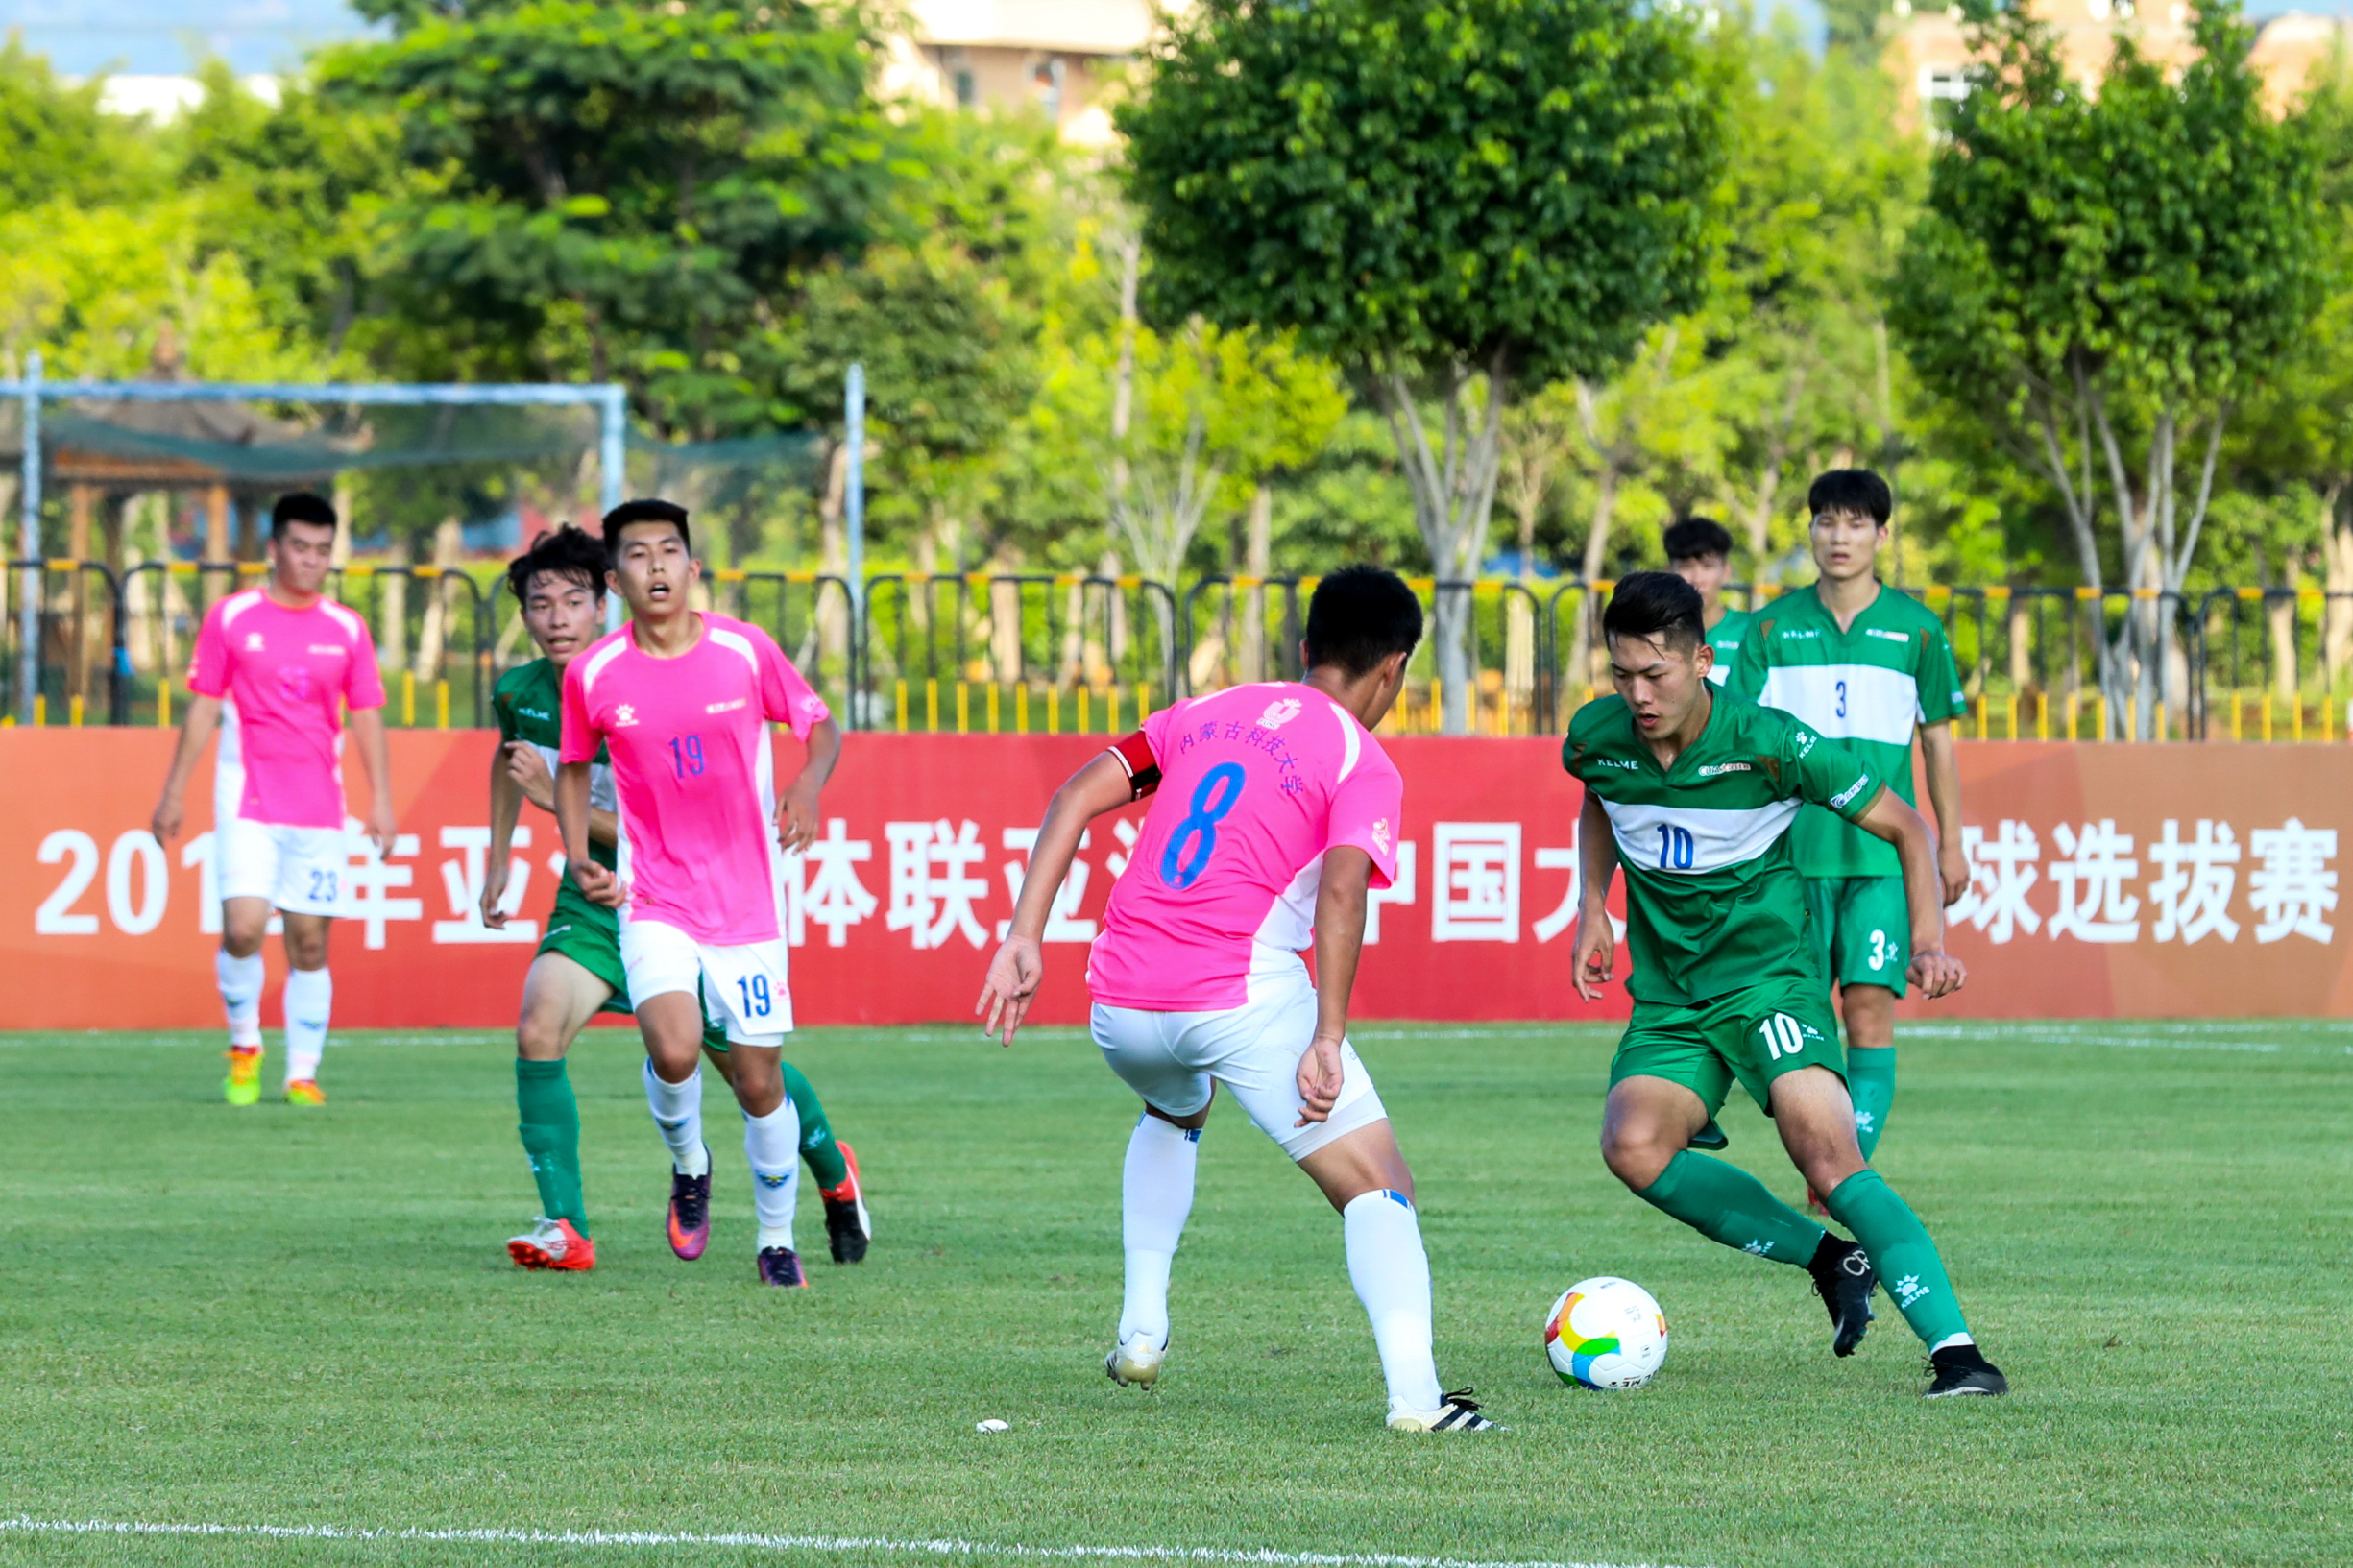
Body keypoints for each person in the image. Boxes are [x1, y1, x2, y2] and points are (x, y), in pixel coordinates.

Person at [976, 566, 1499, 1434]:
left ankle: (1141, 1332)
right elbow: (1343, 891)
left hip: (1119, 995)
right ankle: (1419, 1402)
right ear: (1394, 668)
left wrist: (1023, 935)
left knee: (1175, 1104)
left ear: (1306, 647)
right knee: (1379, 1186)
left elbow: (1073, 797)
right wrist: (1327, 1034)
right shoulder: (1360, 758)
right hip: (1236, 993)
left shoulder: (1203, 712)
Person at [1566, 571, 2005, 1398]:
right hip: (1672, 997)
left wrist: (1927, 942)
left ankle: (1959, 1354)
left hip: (1771, 983)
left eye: (1655, 674)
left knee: (1828, 1157)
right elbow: (1601, 796)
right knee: (1633, 1144)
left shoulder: (1771, 742)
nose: (1638, 695)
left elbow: (1907, 826)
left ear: (1703, 660)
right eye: (1621, 674)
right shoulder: (1597, 735)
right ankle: (1831, 1260)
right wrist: (1595, 904)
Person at [481, 525, 870, 1274]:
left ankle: (831, 1169)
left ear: (605, 602)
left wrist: (553, 801)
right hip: (595, 901)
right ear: (524, 615)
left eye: (573, 600)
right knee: (537, 1027)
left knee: (749, 1072)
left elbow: (653, 823)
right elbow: (511, 762)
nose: (557, 617)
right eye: (541, 603)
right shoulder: (522, 691)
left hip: (688, 896)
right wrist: (499, 856)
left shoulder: (640, 678)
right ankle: (567, 1226)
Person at [1727, 470, 1968, 1181]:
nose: (1840, 537)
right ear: (1810, 530)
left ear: (1882, 535)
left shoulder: (1917, 629)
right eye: (1827, 521)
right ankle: (1826, 1155)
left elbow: (1938, 745)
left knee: (1867, 1010)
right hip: (1789, 858)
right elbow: (1739, 741)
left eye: (1856, 523)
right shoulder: (1769, 629)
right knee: (1801, 1026)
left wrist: (1950, 844)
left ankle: (1843, 1175)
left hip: (1880, 859)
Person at [151, 492, 394, 1107]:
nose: (311, 560)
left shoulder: (347, 629)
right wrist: (174, 791)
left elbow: (366, 715)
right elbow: (204, 706)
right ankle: (244, 1047)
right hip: (246, 801)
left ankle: (302, 1073)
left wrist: (382, 800)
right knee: (243, 928)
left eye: (322, 550)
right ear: (274, 548)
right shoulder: (232, 618)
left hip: (319, 808)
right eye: (300, 547)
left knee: (309, 943)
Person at [1663, 515, 1749, 688]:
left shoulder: (1751, 631)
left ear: (1726, 572)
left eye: (1707, 566)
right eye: (1686, 566)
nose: (1697, 579)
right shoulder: (1654, 632)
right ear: (1668, 572)